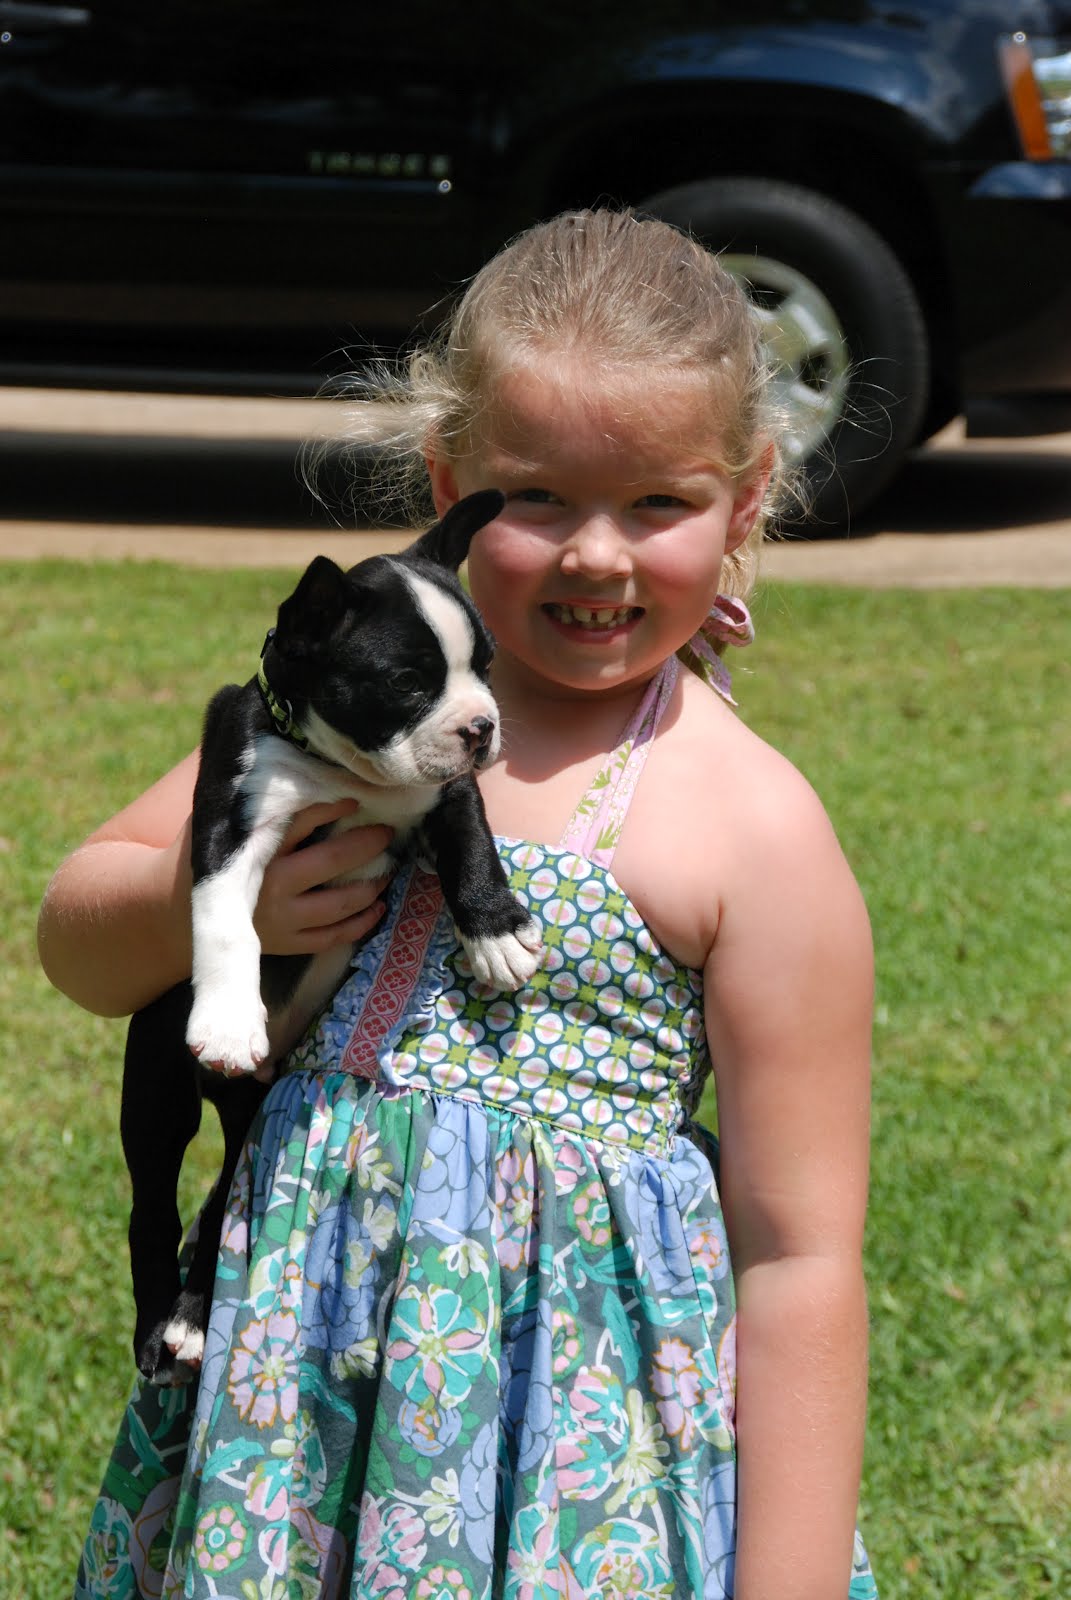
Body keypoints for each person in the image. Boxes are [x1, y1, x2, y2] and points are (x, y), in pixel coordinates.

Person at [40, 208, 878, 1600]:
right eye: (537, 498)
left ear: (746, 501)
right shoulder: (345, 720)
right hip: (288, 1420)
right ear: (452, 484)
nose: (597, 555)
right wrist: (222, 901)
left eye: (659, 504)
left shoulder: (750, 824)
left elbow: (800, 1256)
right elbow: (78, 940)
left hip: (568, 1461)